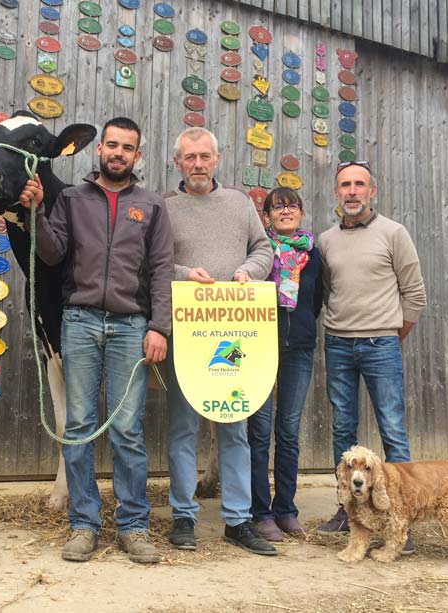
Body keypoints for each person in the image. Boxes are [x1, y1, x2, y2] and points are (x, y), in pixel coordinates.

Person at [18, 117, 174, 564]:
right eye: (112, 145)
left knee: (127, 430)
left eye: (127, 147)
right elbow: (50, 252)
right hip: (80, 322)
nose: (118, 153)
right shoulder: (69, 198)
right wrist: (36, 214)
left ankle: (134, 526)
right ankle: (84, 524)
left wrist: (158, 327)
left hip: (130, 326)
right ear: (98, 150)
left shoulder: (152, 205)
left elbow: (162, 268)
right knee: (81, 427)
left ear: (137, 155)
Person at [163, 127, 276, 556]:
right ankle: (183, 517)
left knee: (234, 425)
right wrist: (183, 273)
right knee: (182, 429)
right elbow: (152, 263)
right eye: (189, 157)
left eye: (204, 156)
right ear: (178, 163)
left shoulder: (241, 204)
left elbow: (263, 249)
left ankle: (237, 519)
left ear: (217, 159)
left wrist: (250, 271)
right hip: (189, 333)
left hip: (235, 331)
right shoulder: (165, 208)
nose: (197, 164)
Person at [316, 161, 426, 553]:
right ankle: (348, 511)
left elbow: (414, 294)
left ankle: (401, 521)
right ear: (335, 193)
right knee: (343, 431)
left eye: (359, 184)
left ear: (371, 191)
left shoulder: (393, 233)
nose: (351, 191)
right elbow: (325, 292)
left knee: (393, 431)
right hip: (339, 343)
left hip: (381, 344)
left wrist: (392, 336)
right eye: (345, 185)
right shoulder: (325, 240)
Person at [247, 187, 322, 542]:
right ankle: (260, 512)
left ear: (301, 212)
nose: (286, 210)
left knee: (288, 431)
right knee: (259, 433)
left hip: (300, 347)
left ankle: (286, 510)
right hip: (261, 347)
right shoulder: (260, 253)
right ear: (267, 216)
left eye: (292, 205)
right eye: (278, 207)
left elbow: (317, 300)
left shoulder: (314, 255)